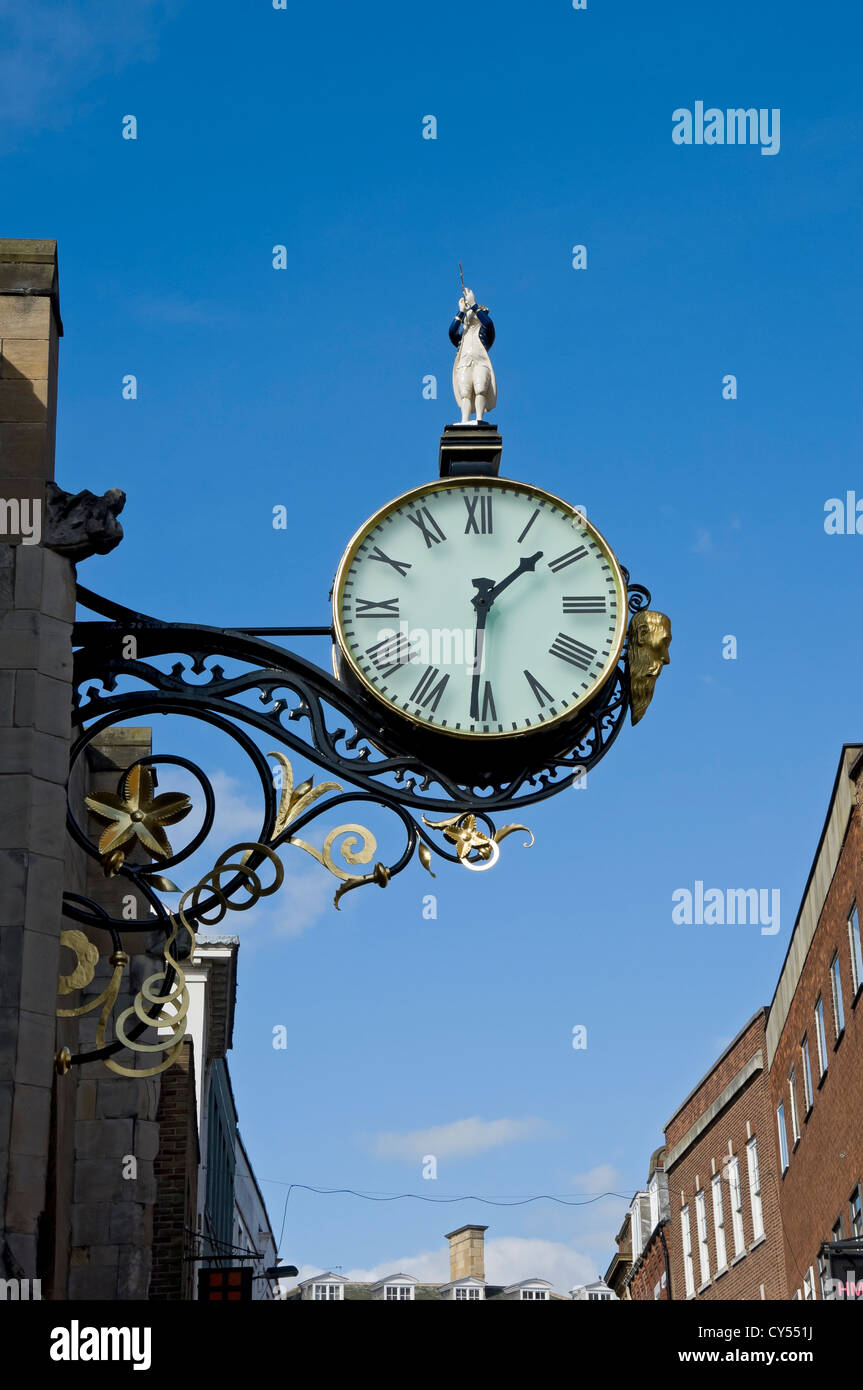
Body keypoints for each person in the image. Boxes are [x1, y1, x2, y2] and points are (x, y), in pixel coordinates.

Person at [449, 288, 497, 423]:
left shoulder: (485, 332)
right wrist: (462, 311)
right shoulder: (462, 338)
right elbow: (452, 332)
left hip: (480, 362)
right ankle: (464, 420)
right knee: (465, 392)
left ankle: (479, 419)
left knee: (480, 387)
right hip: (464, 363)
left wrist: (474, 305)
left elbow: (488, 323)